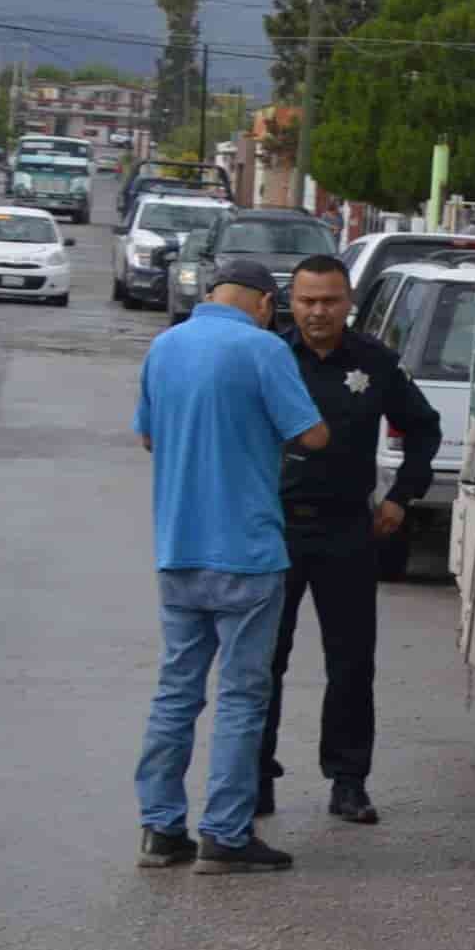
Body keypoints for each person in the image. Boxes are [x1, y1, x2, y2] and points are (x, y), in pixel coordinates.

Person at [131, 255, 331, 872]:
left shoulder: (164, 347)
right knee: (244, 696)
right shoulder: (262, 350)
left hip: (179, 547)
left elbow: (147, 436)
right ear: (266, 304)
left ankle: (161, 829)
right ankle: (225, 832)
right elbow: (313, 435)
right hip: (247, 552)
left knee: (176, 691)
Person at [257, 251, 440, 825]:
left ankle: (348, 780)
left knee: (352, 663)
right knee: (262, 661)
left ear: (349, 302)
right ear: (291, 302)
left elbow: (425, 428)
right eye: (307, 300)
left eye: (330, 301)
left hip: (347, 530)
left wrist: (400, 496)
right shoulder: (267, 358)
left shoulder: (375, 362)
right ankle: (254, 775)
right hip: (274, 530)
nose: (317, 312)